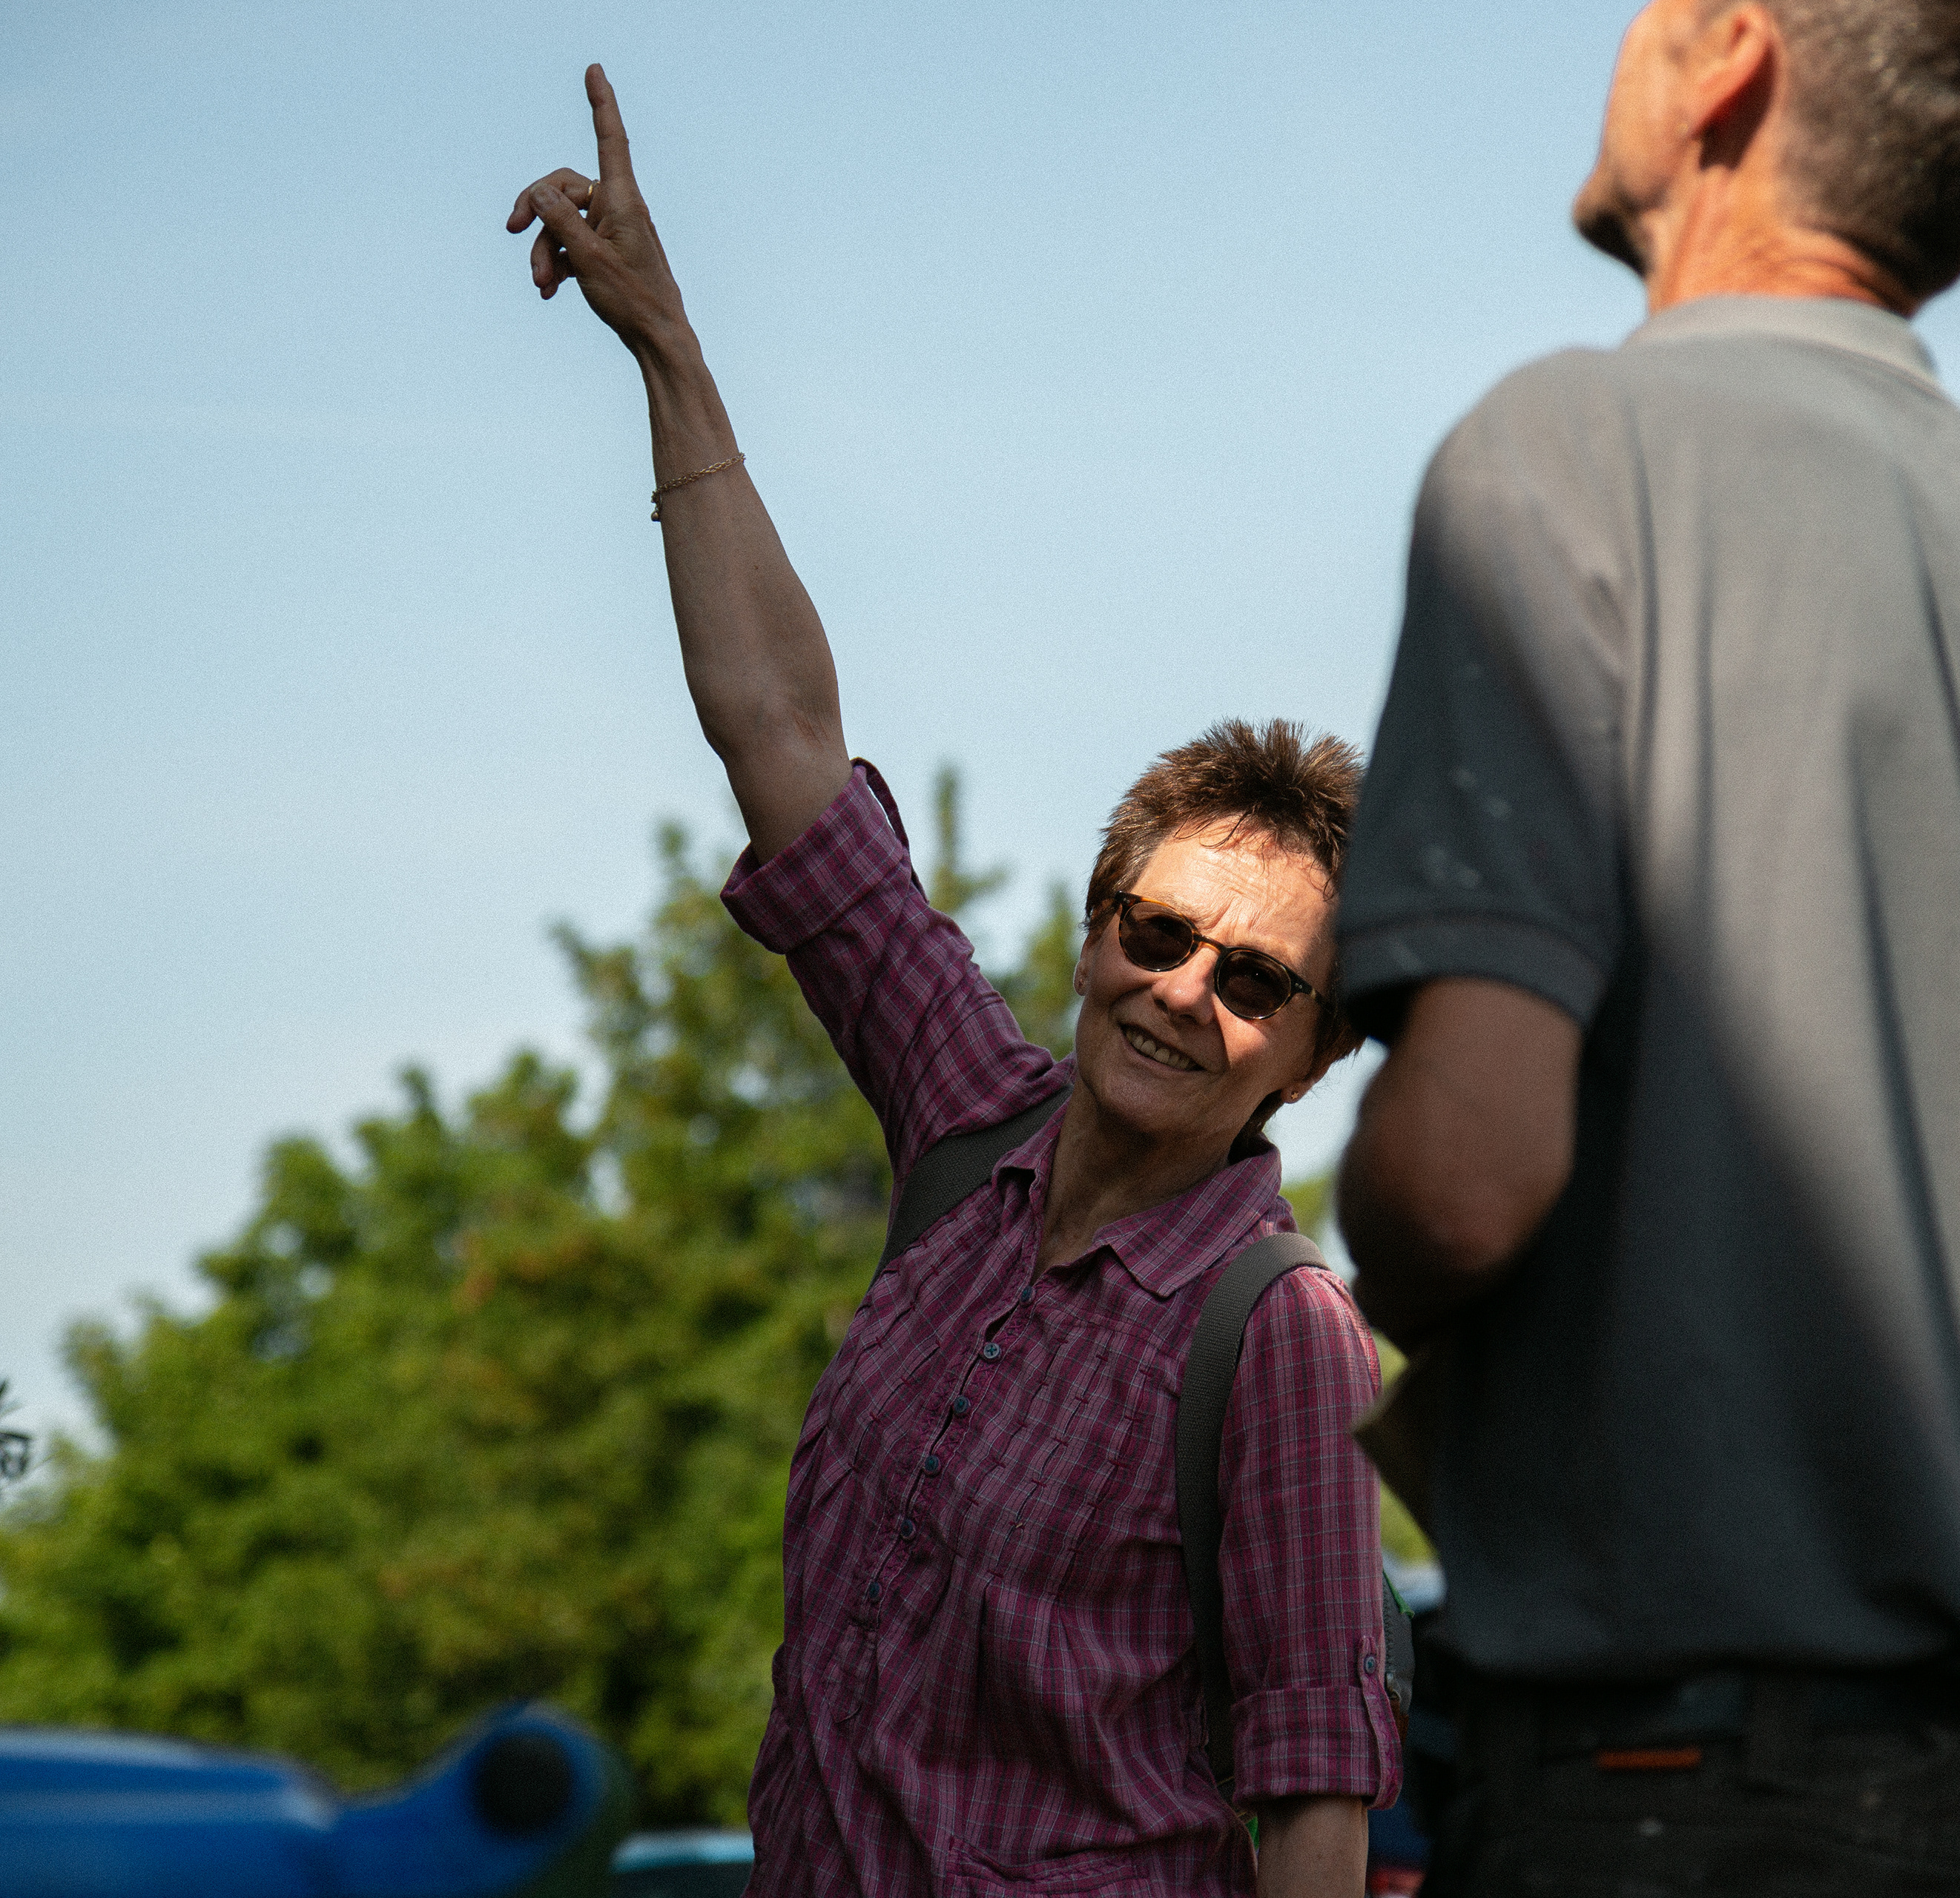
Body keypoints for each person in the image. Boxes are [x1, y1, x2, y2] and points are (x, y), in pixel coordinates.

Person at [1332, 4, 1960, 1897]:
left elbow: (1463, 1188)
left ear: (1726, 55)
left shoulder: (1563, 456)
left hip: (1668, 1802)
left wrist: (1362, 1186)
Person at [507, 67, 1399, 1898]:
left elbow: (1316, 1808)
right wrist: (667, 345)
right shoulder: (965, 1126)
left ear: (1311, 1059)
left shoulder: (1277, 1337)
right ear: (1091, 929)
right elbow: (782, 733)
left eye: (1254, 980)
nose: (1182, 991)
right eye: (1155, 930)